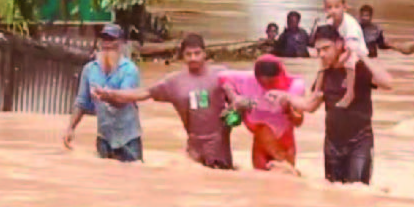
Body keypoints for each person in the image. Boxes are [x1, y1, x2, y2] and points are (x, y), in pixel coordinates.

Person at [267, 25, 393, 185]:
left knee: (358, 192)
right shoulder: (324, 74)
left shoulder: (358, 68)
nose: (322, 54)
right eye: (319, 50)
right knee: (334, 192)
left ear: (340, 44)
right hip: (333, 144)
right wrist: (286, 96)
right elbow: (310, 105)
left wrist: (361, 54)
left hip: (359, 143)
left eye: (326, 48)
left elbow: (388, 83)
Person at [93, 33, 240, 169]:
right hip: (194, 149)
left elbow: (242, 98)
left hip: (220, 149)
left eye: (197, 53)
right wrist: (109, 94)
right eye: (189, 54)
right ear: (182, 57)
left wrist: (237, 107)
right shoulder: (174, 82)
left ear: (205, 54)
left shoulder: (221, 75)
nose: (193, 58)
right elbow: (144, 93)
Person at [63, 24, 143, 162]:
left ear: (121, 44)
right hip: (104, 138)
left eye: (112, 40)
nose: (108, 44)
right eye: (104, 40)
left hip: (128, 139)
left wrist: (106, 96)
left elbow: (123, 100)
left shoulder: (130, 70)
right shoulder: (89, 69)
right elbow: (81, 102)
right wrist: (70, 128)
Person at [219, 55, 305, 174]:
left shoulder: (294, 86)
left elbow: (298, 122)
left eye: (270, 82)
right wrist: (234, 98)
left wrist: (287, 107)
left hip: (283, 141)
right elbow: (221, 78)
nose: (266, 86)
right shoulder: (247, 80)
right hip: (260, 142)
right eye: (261, 82)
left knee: (288, 179)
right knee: (261, 183)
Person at [314, 0, 369, 108]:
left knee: (349, 61)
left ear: (345, 7)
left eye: (337, 7)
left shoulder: (350, 25)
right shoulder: (329, 21)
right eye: (329, 7)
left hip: (357, 51)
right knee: (323, 56)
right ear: (325, 9)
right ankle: (316, 90)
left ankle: (350, 94)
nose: (333, 10)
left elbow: (351, 50)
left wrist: (339, 62)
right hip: (342, 47)